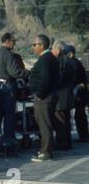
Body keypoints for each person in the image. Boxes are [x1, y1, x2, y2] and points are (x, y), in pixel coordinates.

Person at [0, 32, 28, 150]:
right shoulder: (8, 54)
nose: (15, 44)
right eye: (14, 42)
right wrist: (26, 73)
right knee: (9, 116)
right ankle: (8, 143)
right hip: (7, 88)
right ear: (8, 41)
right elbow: (14, 72)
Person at [29, 34, 59, 162]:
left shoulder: (45, 59)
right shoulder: (50, 58)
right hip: (49, 95)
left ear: (42, 45)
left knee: (44, 124)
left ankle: (46, 152)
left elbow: (45, 80)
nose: (33, 47)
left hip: (44, 98)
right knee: (45, 124)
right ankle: (45, 149)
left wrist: (40, 94)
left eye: (34, 45)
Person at [51, 41, 74, 150]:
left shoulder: (61, 61)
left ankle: (62, 144)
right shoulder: (69, 61)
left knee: (60, 121)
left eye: (54, 50)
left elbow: (59, 78)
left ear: (58, 49)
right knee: (66, 120)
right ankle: (67, 143)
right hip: (68, 94)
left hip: (61, 96)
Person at [67, 45, 89, 142]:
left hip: (79, 94)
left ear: (70, 54)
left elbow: (74, 79)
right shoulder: (76, 62)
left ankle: (84, 136)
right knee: (80, 115)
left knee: (79, 115)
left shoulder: (73, 63)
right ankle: (84, 136)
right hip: (81, 93)